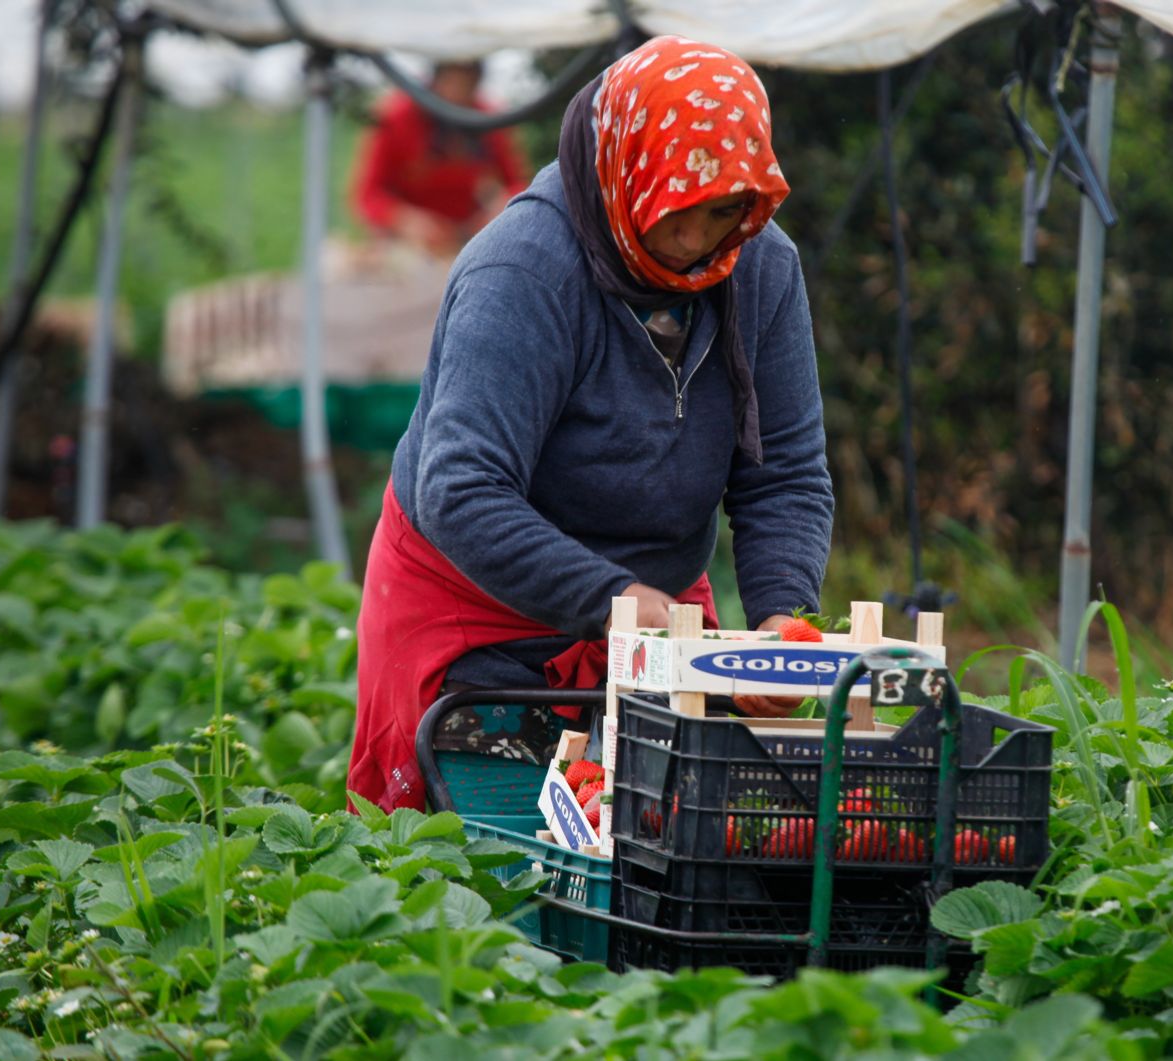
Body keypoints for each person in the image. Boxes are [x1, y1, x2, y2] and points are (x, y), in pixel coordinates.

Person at [349, 36, 836, 812]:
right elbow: (462, 488)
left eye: (723, 213)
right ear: (625, 177)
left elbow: (784, 472)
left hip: (656, 606)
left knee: (660, 848)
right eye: (678, 213)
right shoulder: (523, 271)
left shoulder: (761, 264)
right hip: (481, 602)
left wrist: (782, 615)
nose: (697, 242)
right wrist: (611, 594)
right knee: (490, 869)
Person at [352, 59, 532, 257]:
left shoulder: (488, 119)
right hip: (408, 245)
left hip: (469, 240)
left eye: (467, 84)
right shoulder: (396, 117)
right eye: (451, 81)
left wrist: (500, 210)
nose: (457, 94)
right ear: (435, 79)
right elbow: (367, 195)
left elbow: (518, 186)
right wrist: (404, 220)